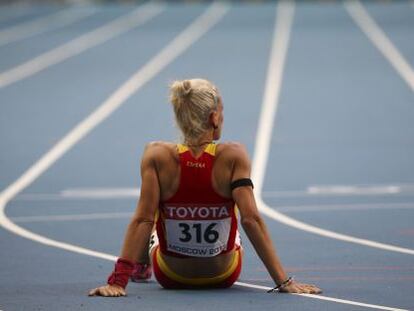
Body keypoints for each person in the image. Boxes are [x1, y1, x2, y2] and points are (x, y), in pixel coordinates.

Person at [88, 78, 322, 297]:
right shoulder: (233, 155)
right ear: (214, 118)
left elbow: (142, 220)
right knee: (235, 213)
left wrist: (117, 282)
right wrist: (283, 282)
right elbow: (251, 220)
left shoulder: (156, 155)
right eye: (222, 112)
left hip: (170, 276)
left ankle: (139, 269)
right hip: (224, 274)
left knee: (152, 214)